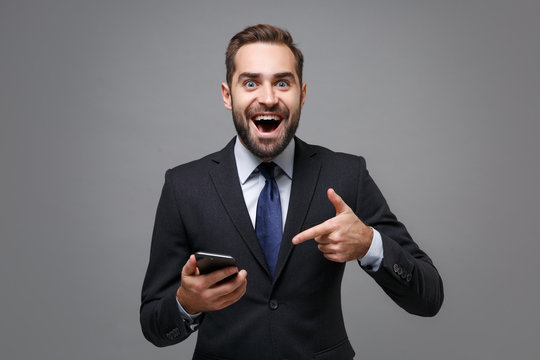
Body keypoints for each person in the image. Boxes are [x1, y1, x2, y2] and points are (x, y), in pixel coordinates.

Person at [140, 24, 443, 360]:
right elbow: (154, 325)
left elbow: (429, 297)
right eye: (251, 83)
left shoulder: (345, 174)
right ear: (228, 95)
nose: (268, 98)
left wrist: (369, 243)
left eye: (282, 82)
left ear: (302, 94)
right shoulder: (184, 186)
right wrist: (187, 304)